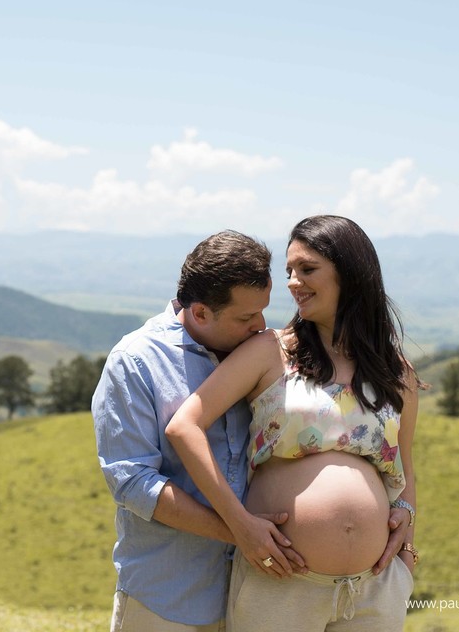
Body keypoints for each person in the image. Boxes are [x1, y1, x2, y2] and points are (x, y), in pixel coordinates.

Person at [165, 215, 419, 631]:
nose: (292, 282)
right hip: (281, 582)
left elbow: (405, 466)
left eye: (307, 268)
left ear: (350, 272)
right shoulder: (271, 351)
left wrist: (407, 535)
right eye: (289, 271)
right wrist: (240, 526)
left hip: (374, 588)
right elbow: (184, 427)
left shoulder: (396, 372)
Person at [92, 229, 304, 632]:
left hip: (253, 596)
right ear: (201, 312)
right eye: (245, 317)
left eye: (263, 311)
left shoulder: (256, 353)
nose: (261, 326)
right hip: (165, 598)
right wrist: (240, 530)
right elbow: (133, 483)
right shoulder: (134, 361)